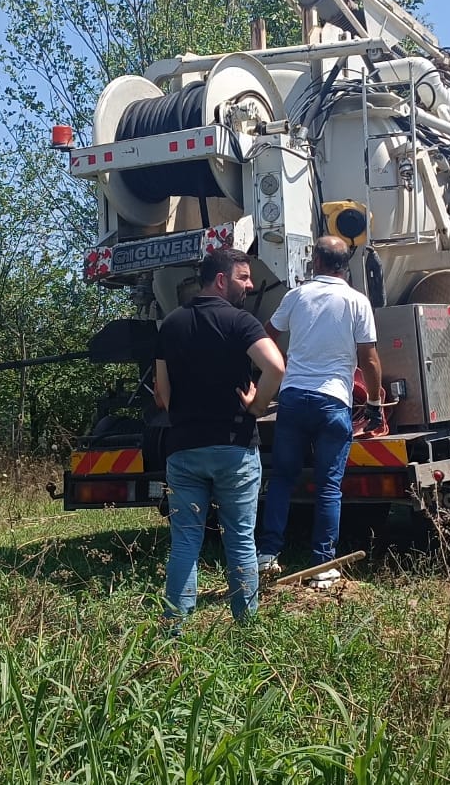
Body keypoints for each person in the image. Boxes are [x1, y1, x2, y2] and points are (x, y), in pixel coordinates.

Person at [154, 248, 285, 630]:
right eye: (244, 277)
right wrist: (258, 404)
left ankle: (174, 627)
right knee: (240, 538)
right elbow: (275, 366)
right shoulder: (240, 322)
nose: (249, 284)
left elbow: (163, 394)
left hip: (184, 449)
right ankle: (246, 627)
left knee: (184, 543)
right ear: (222, 279)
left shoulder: (171, 325)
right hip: (234, 447)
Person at [257, 236, 382, 585]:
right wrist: (374, 404)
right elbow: (369, 360)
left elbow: (266, 336)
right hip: (333, 401)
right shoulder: (357, 301)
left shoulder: (295, 296)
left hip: (294, 398)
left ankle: (267, 556)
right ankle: (323, 566)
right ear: (345, 265)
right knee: (328, 486)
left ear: (316, 262)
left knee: (282, 479)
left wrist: (274, 369)